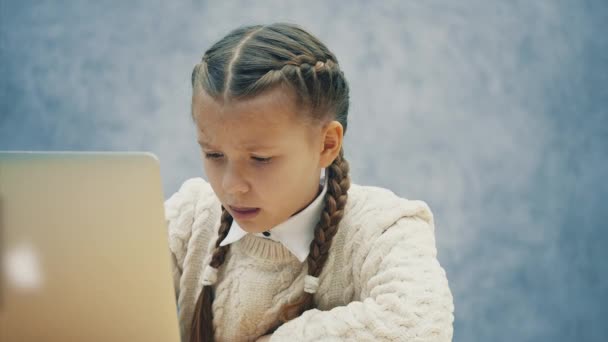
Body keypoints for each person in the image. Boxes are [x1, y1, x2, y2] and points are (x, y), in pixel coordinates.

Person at [165, 22, 454, 342]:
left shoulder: (384, 227)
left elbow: (418, 326)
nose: (232, 186)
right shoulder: (191, 214)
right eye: (214, 155)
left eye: (260, 159)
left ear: (327, 144)